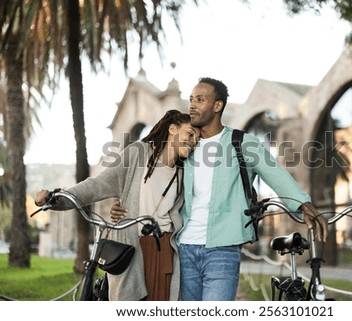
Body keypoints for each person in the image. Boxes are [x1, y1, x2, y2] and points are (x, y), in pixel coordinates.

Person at [177, 77, 327, 301]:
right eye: (191, 99)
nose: (192, 105)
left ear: (217, 106)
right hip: (183, 248)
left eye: (200, 99)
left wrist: (303, 204)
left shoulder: (242, 143)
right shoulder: (186, 145)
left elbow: (276, 175)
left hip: (223, 249)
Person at [34, 110, 200, 301]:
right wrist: (56, 199)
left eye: (197, 138)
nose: (194, 141)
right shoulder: (138, 154)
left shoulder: (185, 171)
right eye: (190, 133)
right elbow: (98, 185)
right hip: (131, 247)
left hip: (164, 249)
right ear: (172, 128)